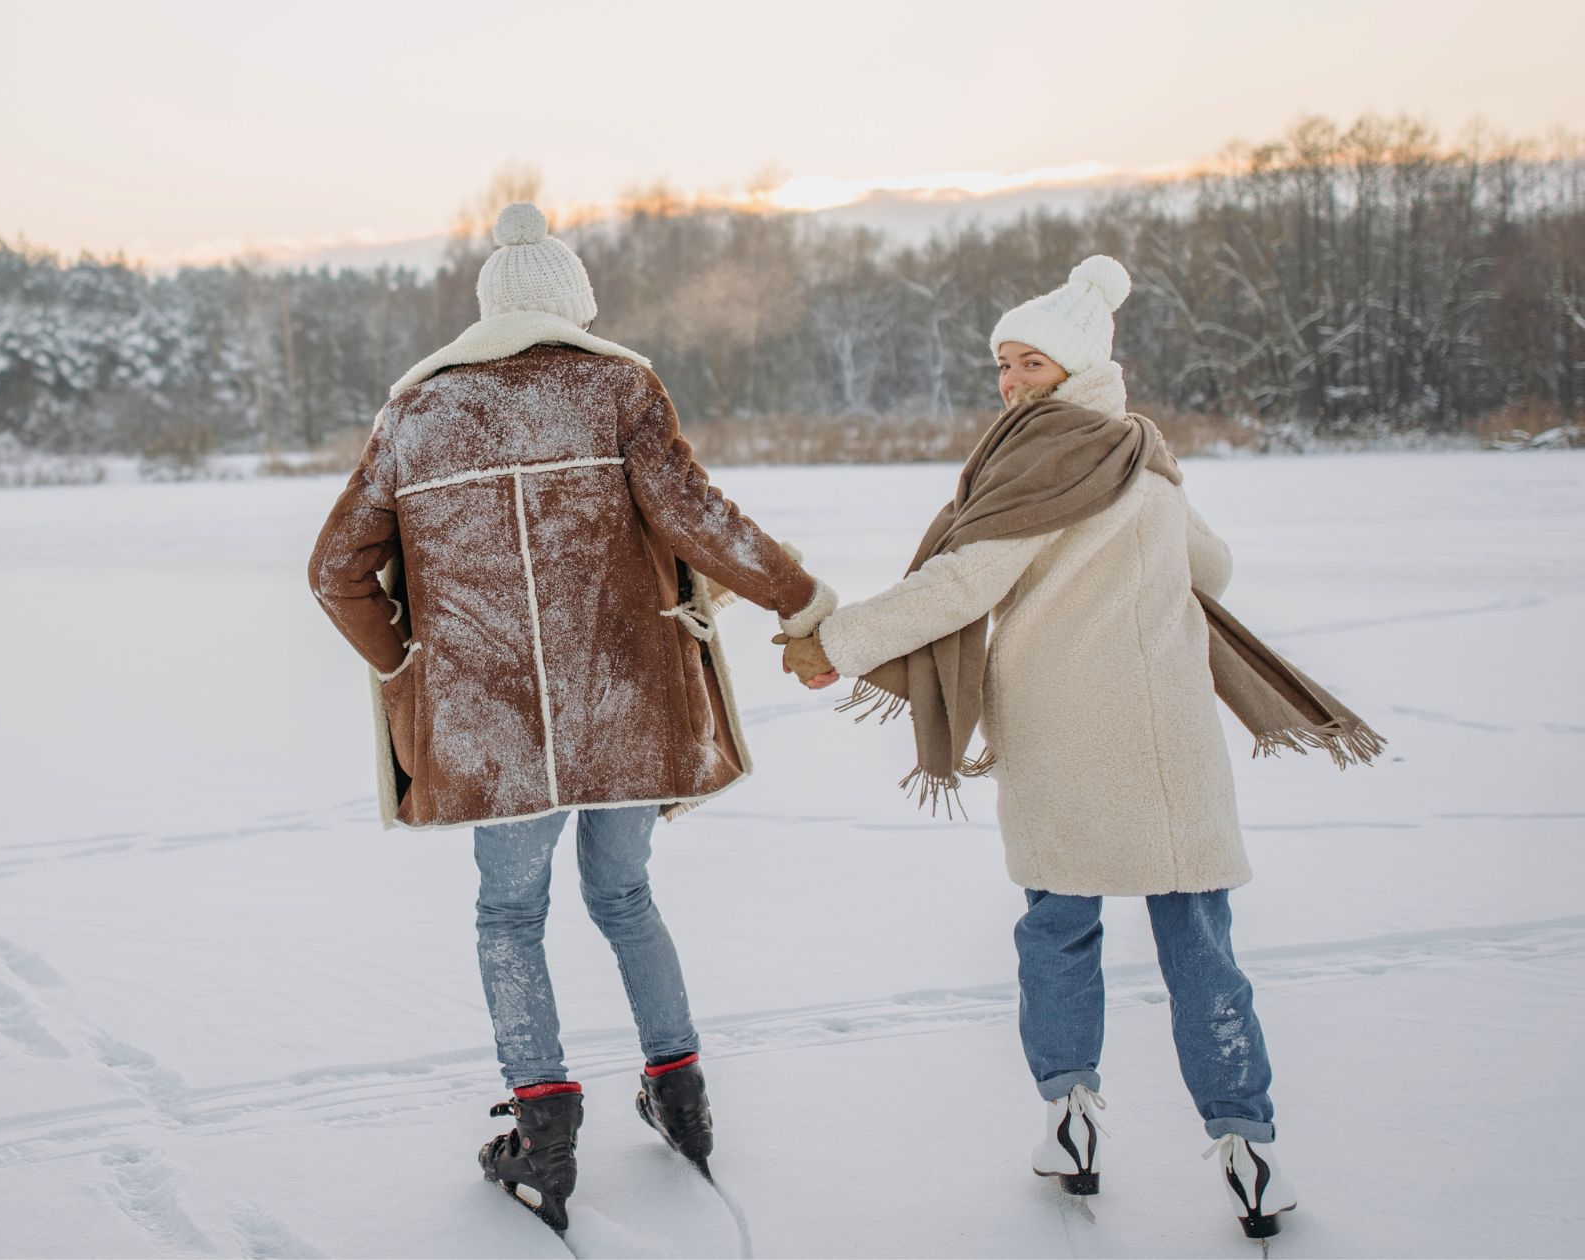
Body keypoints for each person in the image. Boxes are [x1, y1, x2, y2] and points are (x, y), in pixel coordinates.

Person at [779, 256, 1382, 1241]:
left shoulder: (1041, 460)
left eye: (1028, 364)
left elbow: (962, 583)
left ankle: (1069, 1120)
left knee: (1058, 933)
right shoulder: (1136, 452)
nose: (1009, 382)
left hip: (1066, 740)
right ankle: (1248, 1151)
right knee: (1198, 948)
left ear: (1073, 368)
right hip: (1170, 743)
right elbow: (1213, 570)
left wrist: (835, 645)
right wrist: (1158, 513)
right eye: (1002, 365)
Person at [308, 202, 835, 1232]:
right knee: (624, 894)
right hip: (624, 704)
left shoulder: (414, 416)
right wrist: (796, 597)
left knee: (509, 915)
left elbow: (334, 571)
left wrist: (403, 659)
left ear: (487, 309)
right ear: (574, 304)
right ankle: (679, 1096)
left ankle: (542, 1132)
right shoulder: (617, 389)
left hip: (487, 725)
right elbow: (698, 520)